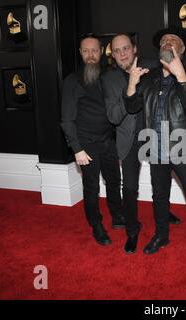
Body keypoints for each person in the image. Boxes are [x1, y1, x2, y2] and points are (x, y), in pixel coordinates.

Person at [124, 26, 186, 266]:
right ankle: (161, 236)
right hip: (156, 147)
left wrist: (181, 75)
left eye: (173, 40)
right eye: (163, 40)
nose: (167, 42)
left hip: (183, 147)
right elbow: (131, 106)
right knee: (159, 196)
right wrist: (132, 82)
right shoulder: (149, 76)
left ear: (182, 50)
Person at [101, 33, 181, 254]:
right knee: (129, 188)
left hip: (155, 133)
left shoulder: (153, 65)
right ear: (113, 55)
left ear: (135, 48)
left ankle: (164, 213)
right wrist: (131, 84)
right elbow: (114, 117)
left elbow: (179, 72)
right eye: (117, 51)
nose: (122, 54)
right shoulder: (109, 79)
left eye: (125, 48)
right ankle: (132, 231)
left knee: (162, 181)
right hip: (129, 139)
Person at [60, 33, 123, 246]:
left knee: (114, 181)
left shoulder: (110, 75)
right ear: (80, 53)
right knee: (92, 187)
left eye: (94, 50)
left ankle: (117, 216)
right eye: (85, 51)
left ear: (102, 50)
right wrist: (76, 148)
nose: (90, 55)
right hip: (86, 145)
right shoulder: (72, 80)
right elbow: (66, 119)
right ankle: (96, 224)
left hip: (109, 141)